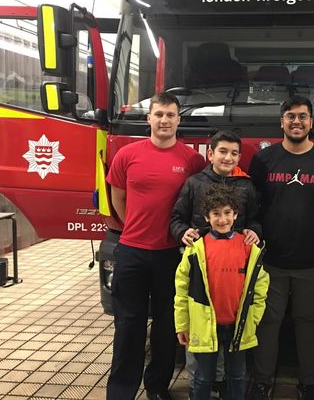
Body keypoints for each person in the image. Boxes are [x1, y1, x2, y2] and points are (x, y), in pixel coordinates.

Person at [106, 92, 205, 400]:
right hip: (132, 251)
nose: (164, 120)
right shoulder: (127, 154)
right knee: (128, 324)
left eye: (170, 115)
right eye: (159, 114)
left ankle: (157, 388)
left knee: (166, 325)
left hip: (171, 255)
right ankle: (122, 390)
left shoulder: (192, 160)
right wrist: (136, 227)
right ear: (148, 118)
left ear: (178, 120)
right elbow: (117, 198)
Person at [247, 95, 314, 400]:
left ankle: (307, 382)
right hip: (271, 262)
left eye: (302, 116)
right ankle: (262, 381)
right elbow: (253, 207)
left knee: (308, 322)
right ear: (281, 122)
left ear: (311, 122)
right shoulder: (264, 160)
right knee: (268, 322)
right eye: (290, 116)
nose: (296, 122)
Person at [170, 130, 262, 397]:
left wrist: (254, 231)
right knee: (202, 340)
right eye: (222, 151)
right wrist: (181, 232)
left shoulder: (246, 185)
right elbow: (176, 217)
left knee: (229, 331)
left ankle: (223, 386)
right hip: (200, 263)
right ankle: (200, 383)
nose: (228, 157)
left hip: (234, 265)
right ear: (210, 154)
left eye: (234, 153)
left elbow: (255, 219)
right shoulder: (194, 183)